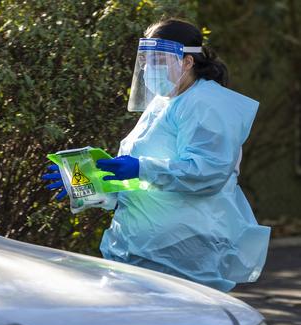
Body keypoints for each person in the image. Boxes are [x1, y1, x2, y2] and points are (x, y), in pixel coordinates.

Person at [42, 18, 270, 292]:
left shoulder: (206, 103)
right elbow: (138, 179)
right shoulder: (163, 104)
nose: (150, 67)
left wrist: (142, 169)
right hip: (141, 248)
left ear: (187, 61)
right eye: (147, 59)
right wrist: (86, 181)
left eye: (159, 59)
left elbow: (207, 171)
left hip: (182, 251)